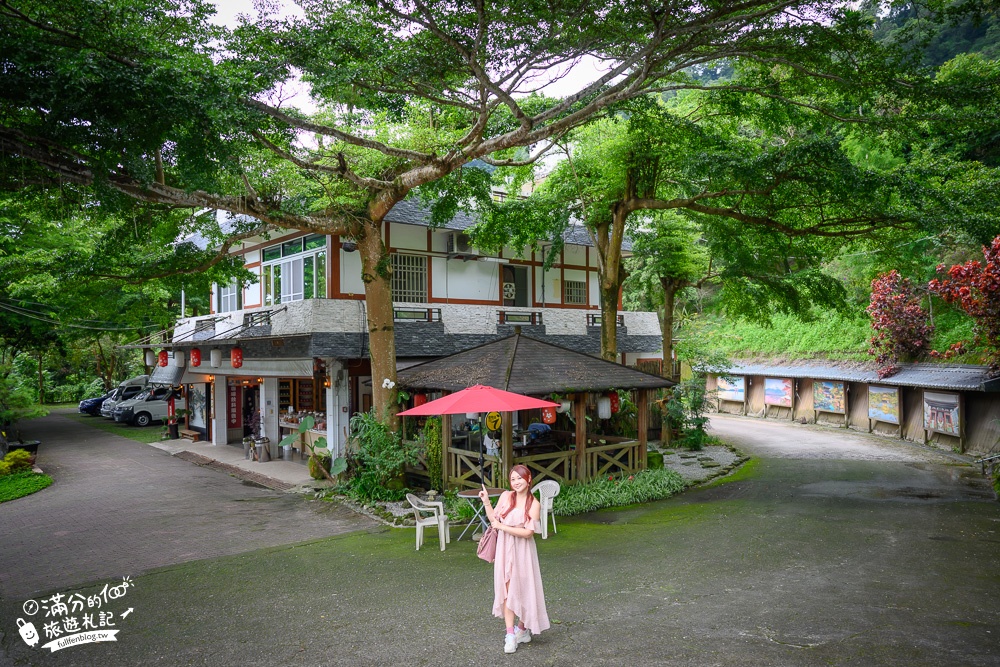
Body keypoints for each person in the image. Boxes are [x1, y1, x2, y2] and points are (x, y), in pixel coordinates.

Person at [479, 464, 550, 654]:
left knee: (525, 589)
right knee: (508, 589)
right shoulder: (505, 496)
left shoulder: (534, 503)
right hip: (504, 549)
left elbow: (528, 532)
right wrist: (486, 502)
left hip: (523, 551)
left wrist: (502, 528)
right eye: (513, 479)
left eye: (520, 478)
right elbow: (494, 518)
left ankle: (522, 629)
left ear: (528, 479)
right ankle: (510, 634)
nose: (516, 482)